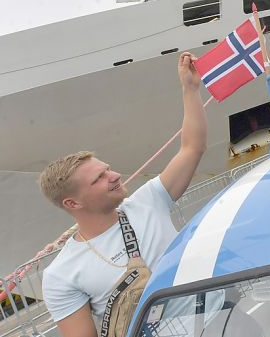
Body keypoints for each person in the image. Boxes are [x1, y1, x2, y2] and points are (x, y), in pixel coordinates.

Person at [40, 52, 207, 337]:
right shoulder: (61, 276)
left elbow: (191, 147)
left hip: (220, 317)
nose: (115, 176)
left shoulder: (147, 202)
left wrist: (190, 89)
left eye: (108, 169)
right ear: (72, 203)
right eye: (100, 179)